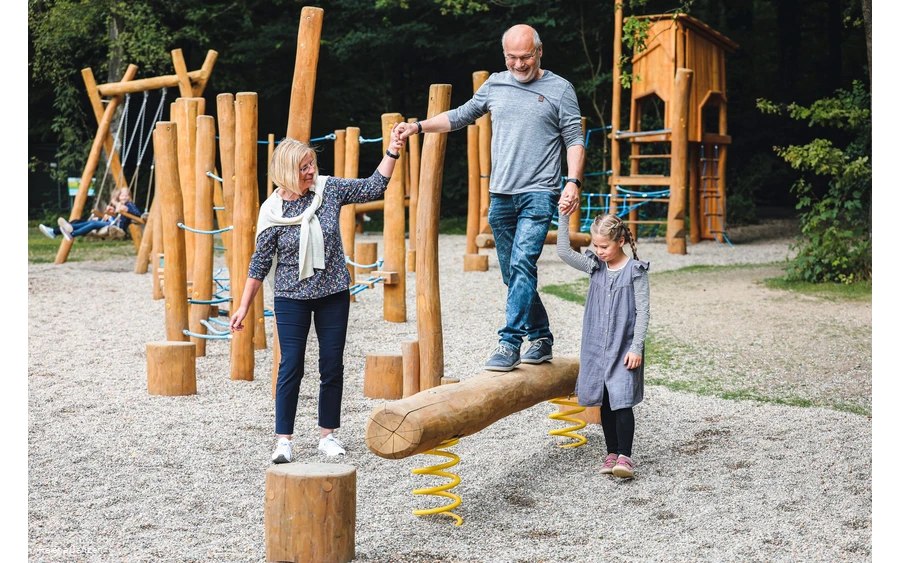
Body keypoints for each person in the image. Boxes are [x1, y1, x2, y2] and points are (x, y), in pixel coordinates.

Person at [395, 23, 584, 371]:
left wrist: (572, 182)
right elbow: (460, 116)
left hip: (539, 193)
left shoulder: (559, 89)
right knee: (512, 275)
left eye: (526, 56)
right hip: (501, 197)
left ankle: (510, 342)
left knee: (523, 265)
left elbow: (574, 137)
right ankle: (541, 337)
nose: (519, 63)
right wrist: (418, 127)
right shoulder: (495, 83)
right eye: (512, 57)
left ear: (540, 52)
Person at [230, 128, 407, 464]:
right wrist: (243, 306)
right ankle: (283, 441)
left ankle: (328, 435)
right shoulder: (272, 211)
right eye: (304, 167)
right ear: (286, 172)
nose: (312, 171)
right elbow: (260, 263)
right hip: (290, 296)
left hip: (333, 293)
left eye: (312, 164)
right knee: (290, 365)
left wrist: (393, 151)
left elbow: (373, 186)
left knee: (331, 364)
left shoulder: (328, 189)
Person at [556, 209, 650, 480]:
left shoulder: (635, 271)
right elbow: (563, 252)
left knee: (622, 400)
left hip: (624, 347)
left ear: (620, 241)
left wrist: (636, 347)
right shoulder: (595, 265)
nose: (598, 251)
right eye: (595, 245)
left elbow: (643, 312)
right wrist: (564, 217)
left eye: (604, 246)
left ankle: (625, 457)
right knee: (605, 400)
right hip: (596, 346)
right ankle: (611, 453)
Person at [39, 187, 141, 241]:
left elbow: (137, 214)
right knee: (83, 222)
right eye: (122, 195)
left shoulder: (129, 205)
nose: (123, 197)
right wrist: (111, 212)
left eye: (125, 196)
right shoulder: (119, 205)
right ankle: (60, 229)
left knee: (92, 223)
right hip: (109, 222)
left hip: (114, 226)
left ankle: (70, 233)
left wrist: (127, 210)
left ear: (129, 196)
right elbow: (116, 215)